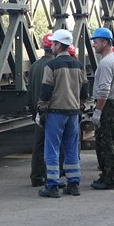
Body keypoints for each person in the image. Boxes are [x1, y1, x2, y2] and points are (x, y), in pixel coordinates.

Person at [37, 29, 88, 198]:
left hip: (56, 112)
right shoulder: (79, 66)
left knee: (52, 149)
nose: (51, 46)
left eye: (53, 43)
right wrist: (80, 106)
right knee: (72, 148)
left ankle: (52, 185)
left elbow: (45, 90)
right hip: (73, 113)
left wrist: (41, 109)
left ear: (58, 45)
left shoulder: (51, 65)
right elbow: (85, 91)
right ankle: (74, 184)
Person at [89, 28, 114, 190]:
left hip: (107, 104)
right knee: (112, 140)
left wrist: (98, 111)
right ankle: (108, 174)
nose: (94, 45)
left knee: (105, 142)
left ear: (105, 42)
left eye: (96, 42)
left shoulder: (105, 63)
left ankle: (109, 178)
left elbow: (104, 90)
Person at [28, 32, 55, 187]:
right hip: (53, 111)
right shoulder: (55, 65)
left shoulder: (34, 66)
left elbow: (30, 91)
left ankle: (36, 176)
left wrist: (34, 112)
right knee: (55, 145)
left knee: (38, 144)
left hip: (39, 111)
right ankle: (53, 175)